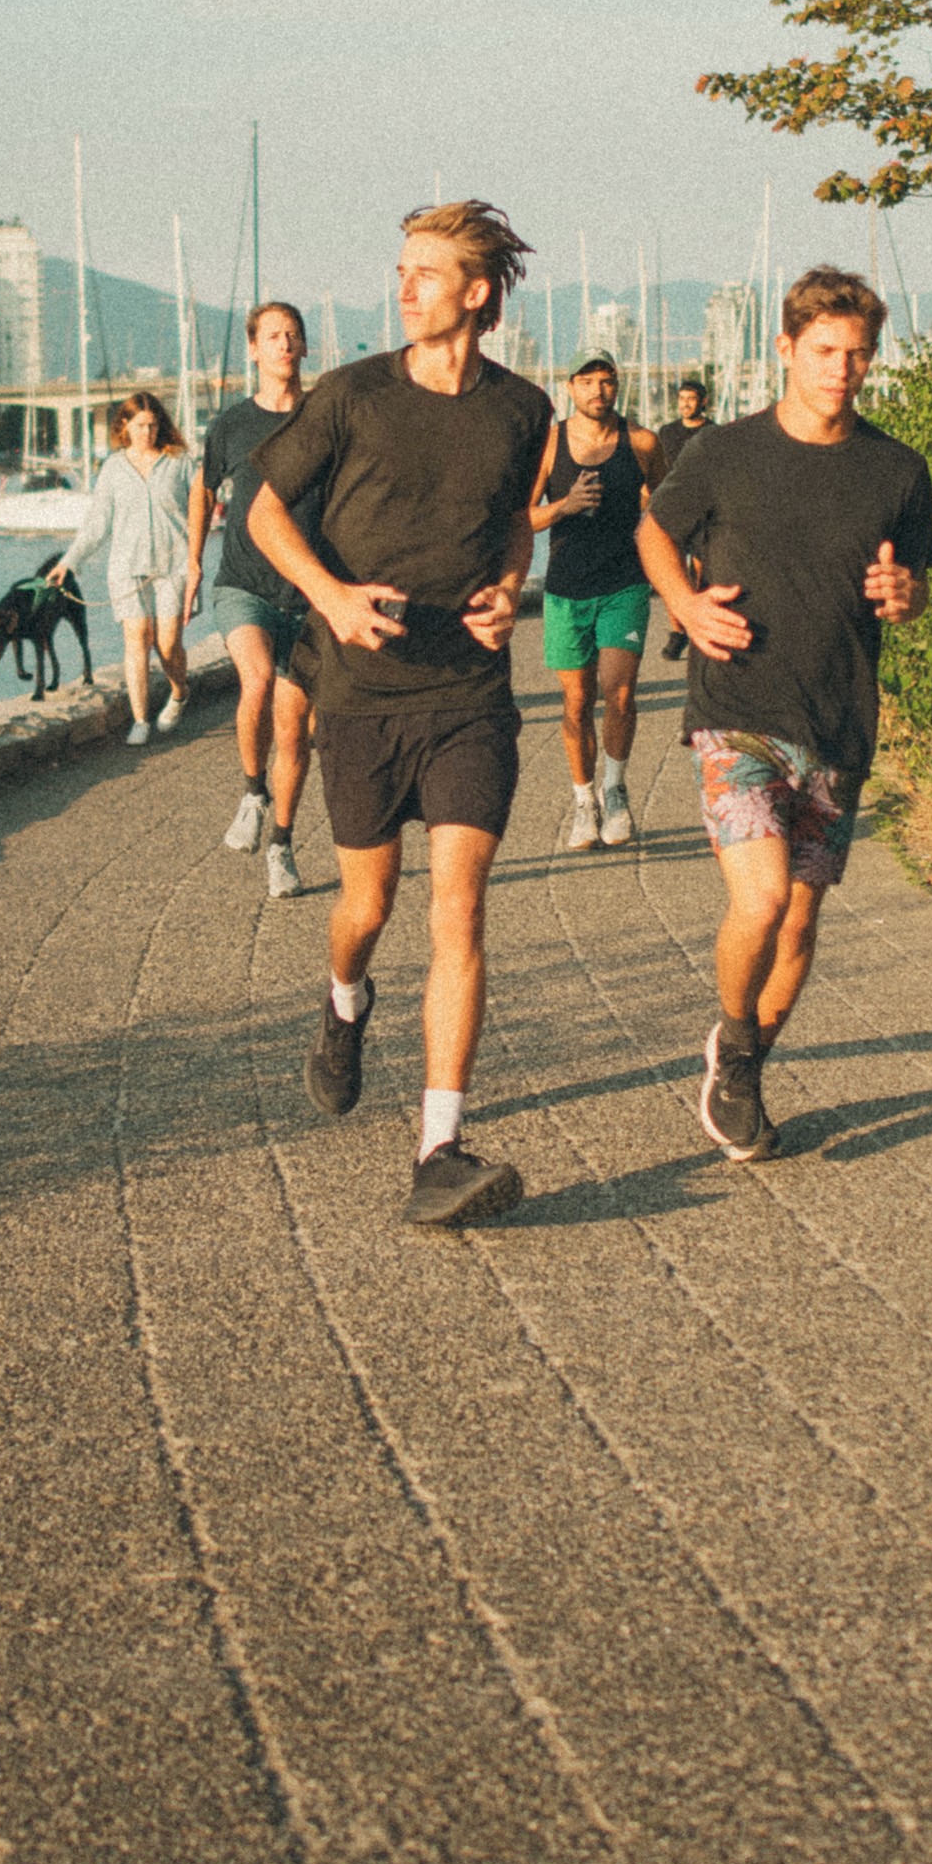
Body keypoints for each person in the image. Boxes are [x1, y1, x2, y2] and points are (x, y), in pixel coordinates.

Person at [244, 199, 550, 1229]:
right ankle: (344, 1004)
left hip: (468, 693)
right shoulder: (350, 396)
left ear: (477, 291)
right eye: (402, 267)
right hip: (363, 697)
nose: (404, 284)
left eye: (425, 270)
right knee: (365, 911)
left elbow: (514, 525)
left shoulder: (523, 410)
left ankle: (440, 1146)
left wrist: (513, 588)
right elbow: (264, 510)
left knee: (457, 907)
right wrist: (329, 597)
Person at [636, 268, 932, 1162]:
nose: (843, 370)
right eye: (825, 352)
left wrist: (904, 595)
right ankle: (733, 1040)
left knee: (801, 923)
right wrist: (685, 609)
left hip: (838, 720)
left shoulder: (897, 470)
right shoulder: (725, 452)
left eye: (858, 354)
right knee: (761, 903)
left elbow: (910, 587)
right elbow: (654, 528)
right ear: (785, 350)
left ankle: (745, 1060)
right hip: (737, 711)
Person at [189, 301, 317, 898]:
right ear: (254, 350)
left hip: (309, 593)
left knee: (294, 735)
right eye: (273, 336)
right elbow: (203, 486)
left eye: (293, 335)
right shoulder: (232, 424)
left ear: (305, 348)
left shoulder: (323, 420)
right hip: (242, 583)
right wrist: (193, 560)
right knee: (257, 680)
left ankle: (282, 846)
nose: (285, 344)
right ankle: (251, 793)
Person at [529, 353, 662, 848]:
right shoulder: (549, 445)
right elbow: (519, 519)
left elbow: (670, 506)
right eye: (588, 382)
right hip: (565, 591)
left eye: (607, 382)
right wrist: (564, 506)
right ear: (569, 388)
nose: (599, 391)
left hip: (624, 585)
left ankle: (616, 788)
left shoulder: (643, 442)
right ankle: (584, 802)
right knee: (576, 701)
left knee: (619, 691)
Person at [57, 390, 196, 747]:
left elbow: (199, 513)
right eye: (140, 426)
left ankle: (179, 692)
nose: (148, 432)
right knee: (137, 639)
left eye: (153, 425)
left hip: (172, 564)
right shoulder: (114, 468)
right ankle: (140, 720)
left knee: (167, 646)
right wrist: (69, 561)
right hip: (126, 567)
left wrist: (196, 561)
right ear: (124, 426)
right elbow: (97, 524)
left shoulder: (179, 461)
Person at [650, 373, 714, 656]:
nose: (685, 404)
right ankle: (677, 631)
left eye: (691, 399)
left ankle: (700, 626)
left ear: (704, 402)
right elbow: (658, 470)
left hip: (705, 512)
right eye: (682, 399)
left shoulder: (714, 433)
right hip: (673, 508)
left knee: (701, 573)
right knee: (672, 571)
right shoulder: (667, 433)